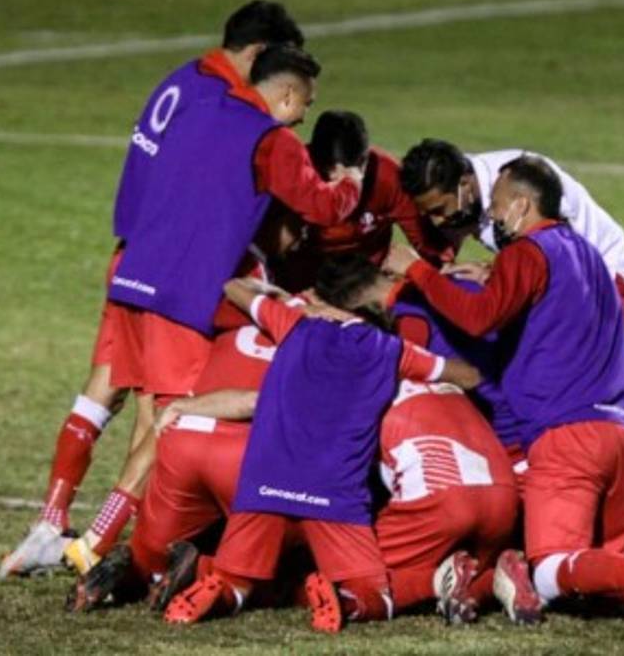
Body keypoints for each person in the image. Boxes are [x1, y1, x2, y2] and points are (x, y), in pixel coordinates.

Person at [0, 0, 309, 579]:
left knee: (103, 391)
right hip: (172, 271)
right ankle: (92, 545)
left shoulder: (181, 82)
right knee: (161, 412)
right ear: (260, 57)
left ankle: (50, 521)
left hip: (132, 256)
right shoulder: (224, 108)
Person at [63, 43, 364, 573]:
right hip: (185, 292)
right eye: (305, 104)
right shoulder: (273, 141)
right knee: (176, 419)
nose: (303, 115)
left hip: (133, 276)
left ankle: (102, 526)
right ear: (289, 94)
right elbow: (320, 205)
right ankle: (95, 542)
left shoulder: (201, 111)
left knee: (152, 409)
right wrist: (350, 186)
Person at [385, 156, 624, 634]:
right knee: (592, 580)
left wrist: (419, 273)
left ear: (521, 205)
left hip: (568, 440)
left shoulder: (527, 254)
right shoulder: (591, 257)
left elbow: (478, 319)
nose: (488, 216)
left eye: (495, 205)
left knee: (552, 570)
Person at [163, 276, 485, 633]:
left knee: (238, 581)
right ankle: (343, 599)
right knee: (374, 593)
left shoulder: (294, 325)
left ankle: (217, 588)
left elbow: (234, 289)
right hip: (334, 494)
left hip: (264, 487)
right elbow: (469, 376)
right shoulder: (391, 350)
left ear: (332, 307)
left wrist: (280, 295)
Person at [66, 205, 306, 612]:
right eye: (297, 224)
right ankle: (200, 569)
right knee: (285, 561)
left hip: (140, 280)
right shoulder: (314, 332)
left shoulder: (240, 294)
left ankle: (114, 550)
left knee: (152, 417)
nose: (302, 237)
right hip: (240, 458)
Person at [314, 255, 518, 624]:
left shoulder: (384, 361)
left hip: (448, 491)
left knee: (353, 574)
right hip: (507, 469)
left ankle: (450, 582)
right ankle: (496, 575)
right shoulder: (458, 293)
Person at [399, 139, 624, 313]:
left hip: (600, 275)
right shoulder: (462, 190)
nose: (437, 221)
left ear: (465, 185)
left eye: (440, 210)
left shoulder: (521, 183)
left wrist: (494, 276)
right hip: (556, 277)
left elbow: (560, 256)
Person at [272, 110, 450, 290]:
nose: (344, 182)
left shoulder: (389, 176)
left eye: (353, 171)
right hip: (301, 287)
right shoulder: (294, 172)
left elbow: (428, 245)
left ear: (365, 159)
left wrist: (441, 271)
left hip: (364, 285)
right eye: (331, 171)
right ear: (315, 158)